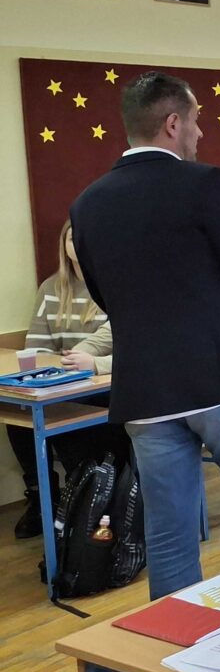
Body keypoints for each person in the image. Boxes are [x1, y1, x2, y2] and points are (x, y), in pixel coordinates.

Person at [70, 70, 220, 599]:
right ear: (173, 123)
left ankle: (178, 639)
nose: (200, 133)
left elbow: (104, 296)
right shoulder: (204, 182)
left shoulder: (87, 204)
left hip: (146, 389)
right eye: (196, 120)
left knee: (169, 535)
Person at [7, 220, 127, 539]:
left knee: (71, 426)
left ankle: (82, 502)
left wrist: (87, 363)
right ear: (63, 245)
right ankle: (42, 498)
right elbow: (38, 348)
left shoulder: (115, 284)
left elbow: (129, 347)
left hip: (106, 385)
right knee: (19, 419)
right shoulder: (51, 289)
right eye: (72, 238)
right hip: (63, 382)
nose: (78, 244)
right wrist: (54, 371)